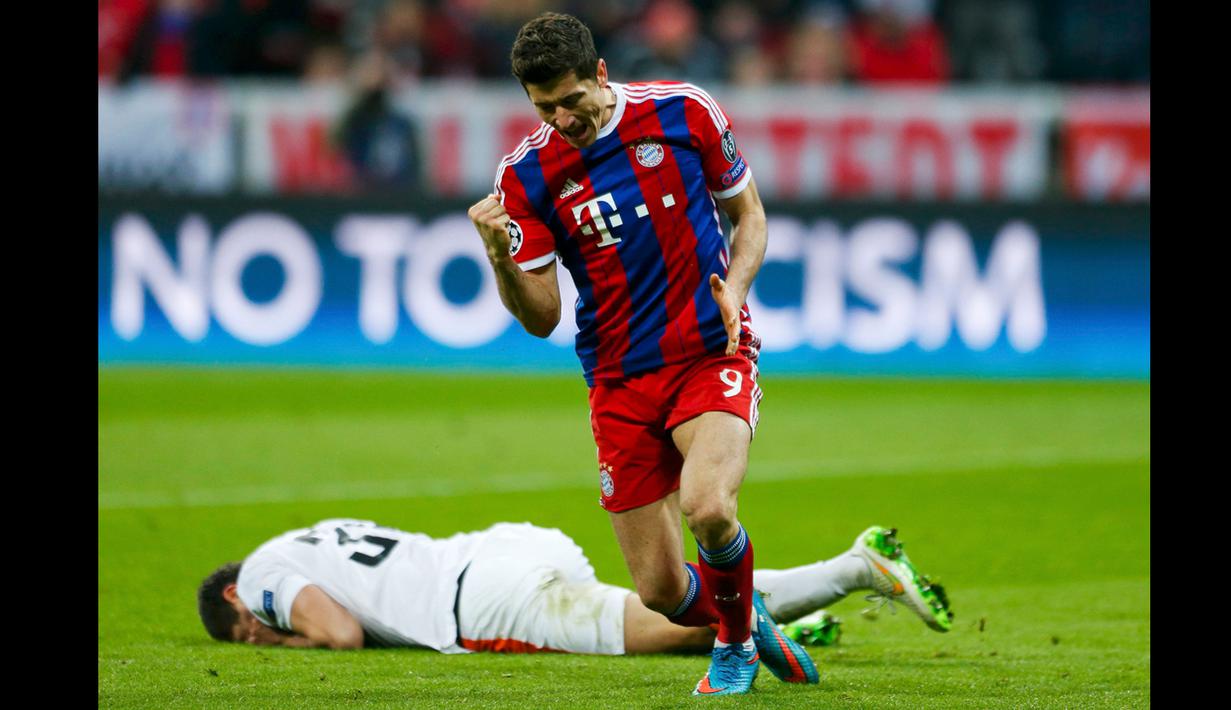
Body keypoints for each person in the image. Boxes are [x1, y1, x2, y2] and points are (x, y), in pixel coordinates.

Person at [467, 11, 807, 695]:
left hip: (708, 352)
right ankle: (745, 616)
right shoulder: (527, 175)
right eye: (544, 108)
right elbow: (541, 319)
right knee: (656, 590)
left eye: (571, 100)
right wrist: (500, 256)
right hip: (618, 378)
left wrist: (736, 290)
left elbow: (749, 215)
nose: (562, 118)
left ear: (600, 73)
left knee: (709, 507)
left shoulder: (683, 112)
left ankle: (734, 646)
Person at [198, 519, 953, 657]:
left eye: (247, 631)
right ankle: (802, 619)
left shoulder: (264, 574)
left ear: (235, 598)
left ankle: (854, 569)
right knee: (669, 612)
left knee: (671, 628)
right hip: (505, 545)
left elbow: (339, 633)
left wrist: (291, 640)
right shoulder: (310, 535)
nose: (261, 634)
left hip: (481, 601)